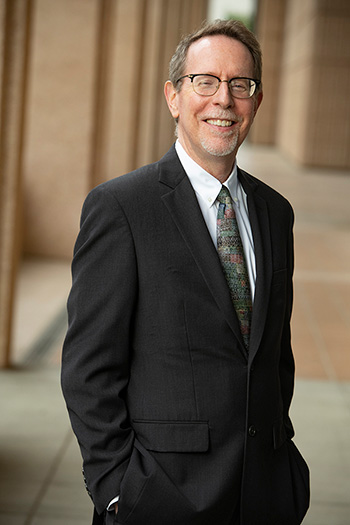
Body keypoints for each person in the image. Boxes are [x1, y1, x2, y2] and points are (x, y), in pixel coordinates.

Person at [61, 19, 310, 525]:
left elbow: (271, 356)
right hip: (160, 500)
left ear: (256, 102)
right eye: (206, 82)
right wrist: (117, 489)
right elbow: (89, 369)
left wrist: (285, 471)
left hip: (263, 496)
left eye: (241, 85)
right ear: (174, 97)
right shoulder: (121, 207)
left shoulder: (275, 212)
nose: (224, 99)